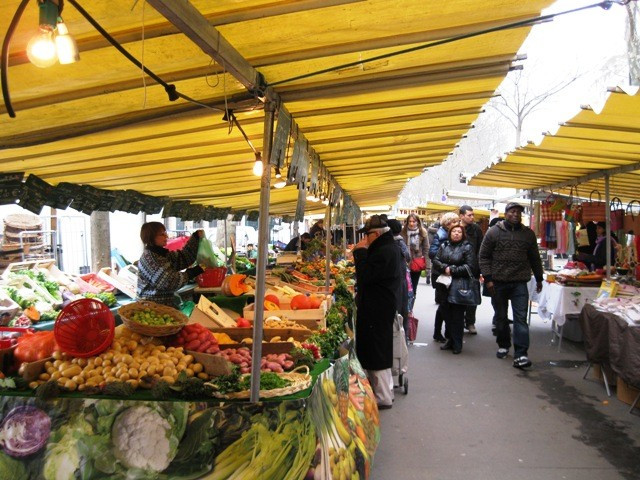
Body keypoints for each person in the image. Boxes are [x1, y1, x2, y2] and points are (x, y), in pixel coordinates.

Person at [479, 203, 543, 369]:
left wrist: (539, 278)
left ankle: (521, 354)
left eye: (519, 213)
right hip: (498, 282)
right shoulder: (493, 232)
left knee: (520, 318)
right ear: (506, 213)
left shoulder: (527, 234)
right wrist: (488, 279)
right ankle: (503, 344)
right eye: (513, 212)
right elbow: (483, 256)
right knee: (501, 317)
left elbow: (535, 257)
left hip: (519, 283)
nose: (516, 215)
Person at [353, 215, 404, 409]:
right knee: (376, 347)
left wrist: (360, 254)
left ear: (375, 234)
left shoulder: (385, 251)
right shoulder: (386, 248)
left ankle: (383, 396)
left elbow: (366, 276)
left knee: (377, 349)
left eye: (366, 236)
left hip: (378, 306)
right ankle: (381, 392)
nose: (364, 240)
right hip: (379, 305)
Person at [432, 224, 478, 354]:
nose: (456, 234)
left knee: (457, 316)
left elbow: (471, 267)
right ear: (450, 233)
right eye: (454, 231)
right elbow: (436, 260)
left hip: (459, 286)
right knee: (446, 314)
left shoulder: (467, 247)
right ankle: (450, 340)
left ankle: (457, 343)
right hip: (444, 285)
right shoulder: (444, 246)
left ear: (462, 234)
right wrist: (444, 268)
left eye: (459, 232)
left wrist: (451, 270)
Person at [137, 222, 204, 307]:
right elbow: (169, 282)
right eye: (162, 234)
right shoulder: (150, 258)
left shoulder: (162, 255)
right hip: (150, 308)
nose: (166, 236)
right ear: (151, 237)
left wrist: (195, 237)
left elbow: (183, 257)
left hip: (163, 307)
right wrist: (192, 272)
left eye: (165, 233)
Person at [428, 212, 462, 343]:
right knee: (444, 304)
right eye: (455, 222)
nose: (457, 224)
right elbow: (432, 253)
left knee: (445, 304)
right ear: (448, 224)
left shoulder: (450, 234)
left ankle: (441, 333)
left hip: (448, 272)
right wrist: (447, 260)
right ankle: (444, 333)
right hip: (442, 273)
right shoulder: (442, 235)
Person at [459, 205, 484, 335]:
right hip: (458, 267)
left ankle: (470, 322)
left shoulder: (476, 230)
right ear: (461, 216)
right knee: (458, 294)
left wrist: (479, 266)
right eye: (469, 215)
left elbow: (481, 248)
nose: (472, 217)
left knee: (472, 295)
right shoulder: (456, 228)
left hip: (473, 268)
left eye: (473, 215)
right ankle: (458, 321)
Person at [388, 218, 412, 340]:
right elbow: (408, 257)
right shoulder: (400, 241)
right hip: (401, 280)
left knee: (399, 310)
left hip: (398, 281)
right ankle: (403, 335)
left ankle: (401, 337)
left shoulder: (394, 243)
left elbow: (407, 257)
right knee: (402, 310)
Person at [401, 213, 429, 311]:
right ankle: (404, 308)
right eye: (410, 221)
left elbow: (426, 250)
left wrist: (428, 267)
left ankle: (410, 309)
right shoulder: (403, 232)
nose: (412, 223)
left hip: (416, 263)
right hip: (404, 263)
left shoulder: (423, 232)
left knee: (413, 288)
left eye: (414, 221)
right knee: (404, 288)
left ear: (418, 222)